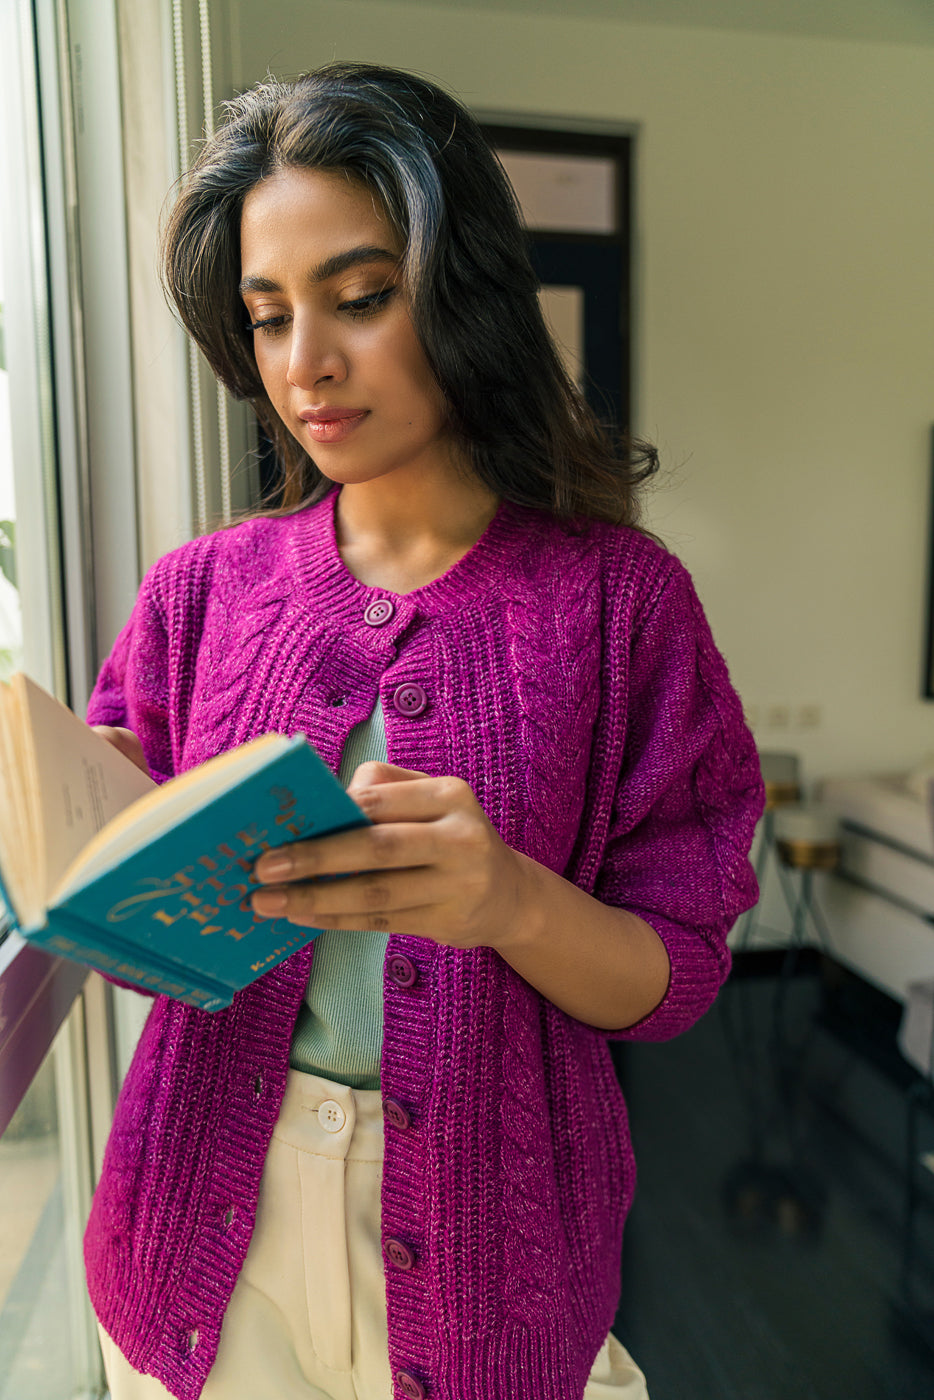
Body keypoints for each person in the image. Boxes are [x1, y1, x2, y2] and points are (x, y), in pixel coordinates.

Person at [85, 62, 764, 1400]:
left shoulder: (620, 604)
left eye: (360, 298)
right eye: (268, 318)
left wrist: (510, 899)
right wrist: (110, 858)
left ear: (461, 296)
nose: (305, 367)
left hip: (494, 1250)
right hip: (194, 1241)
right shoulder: (200, 591)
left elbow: (672, 974)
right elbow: (133, 955)